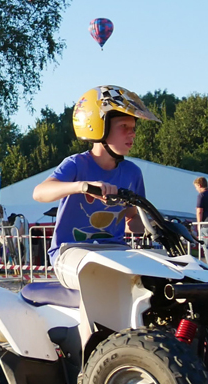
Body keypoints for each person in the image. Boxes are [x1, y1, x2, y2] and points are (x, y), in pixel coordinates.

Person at [33, 85, 158, 273]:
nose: (132, 133)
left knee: (154, 275)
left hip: (114, 251)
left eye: (133, 128)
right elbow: (39, 193)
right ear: (99, 127)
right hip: (70, 252)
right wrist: (82, 186)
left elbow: (131, 219)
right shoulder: (76, 164)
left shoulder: (133, 173)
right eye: (124, 126)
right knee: (99, 271)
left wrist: (159, 226)